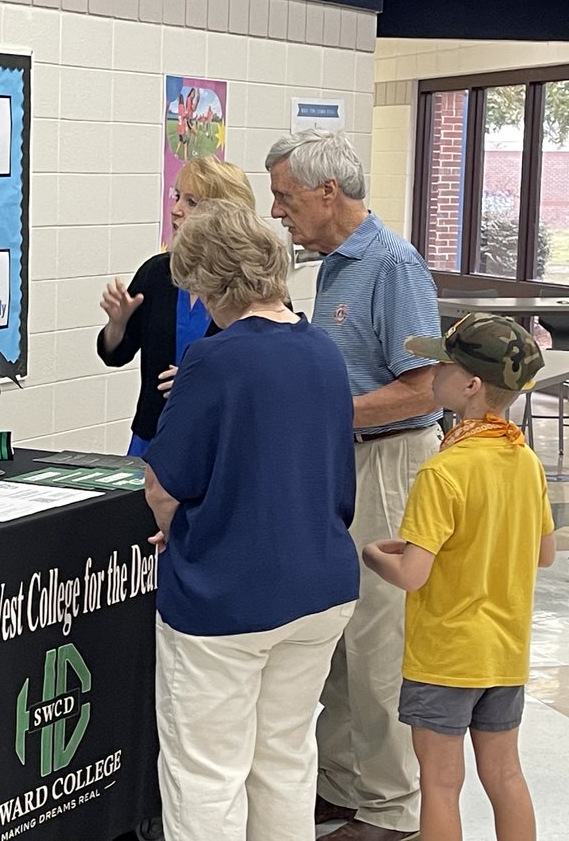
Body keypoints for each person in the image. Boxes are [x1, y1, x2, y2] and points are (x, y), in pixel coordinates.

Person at [143, 199, 359, 840]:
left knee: (207, 772)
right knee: (285, 761)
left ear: (210, 281)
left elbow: (164, 484)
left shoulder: (215, 359)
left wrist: (178, 529)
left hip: (227, 598)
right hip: (320, 586)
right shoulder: (322, 350)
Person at [265, 129, 442, 841]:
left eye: (285, 197)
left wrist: (320, 411)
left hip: (392, 461)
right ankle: (342, 785)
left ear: (327, 192)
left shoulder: (394, 265)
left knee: (378, 641)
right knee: (338, 629)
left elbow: (423, 388)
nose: (277, 211)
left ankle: (391, 807)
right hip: (344, 459)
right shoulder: (333, 267)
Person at [364, 313, 555, 841]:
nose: (432, 373)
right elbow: (544, 554)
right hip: (505, 652)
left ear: (470, 385)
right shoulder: (525, 460)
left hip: (445, 655)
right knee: (506, 775)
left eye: (443, 365)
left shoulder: (443, 470)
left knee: (441, 784)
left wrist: (374, 554)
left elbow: (412, 574)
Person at [98, 156, 256, 456]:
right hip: (152, 434)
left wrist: (202, 381)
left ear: (225, 214)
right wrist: (117, 326)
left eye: (192, 202)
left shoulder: (252, 284)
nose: (176, 210)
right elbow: (115, 355)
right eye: (177, 196)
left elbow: (263, 374)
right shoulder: (157, 273)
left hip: (219, 441)